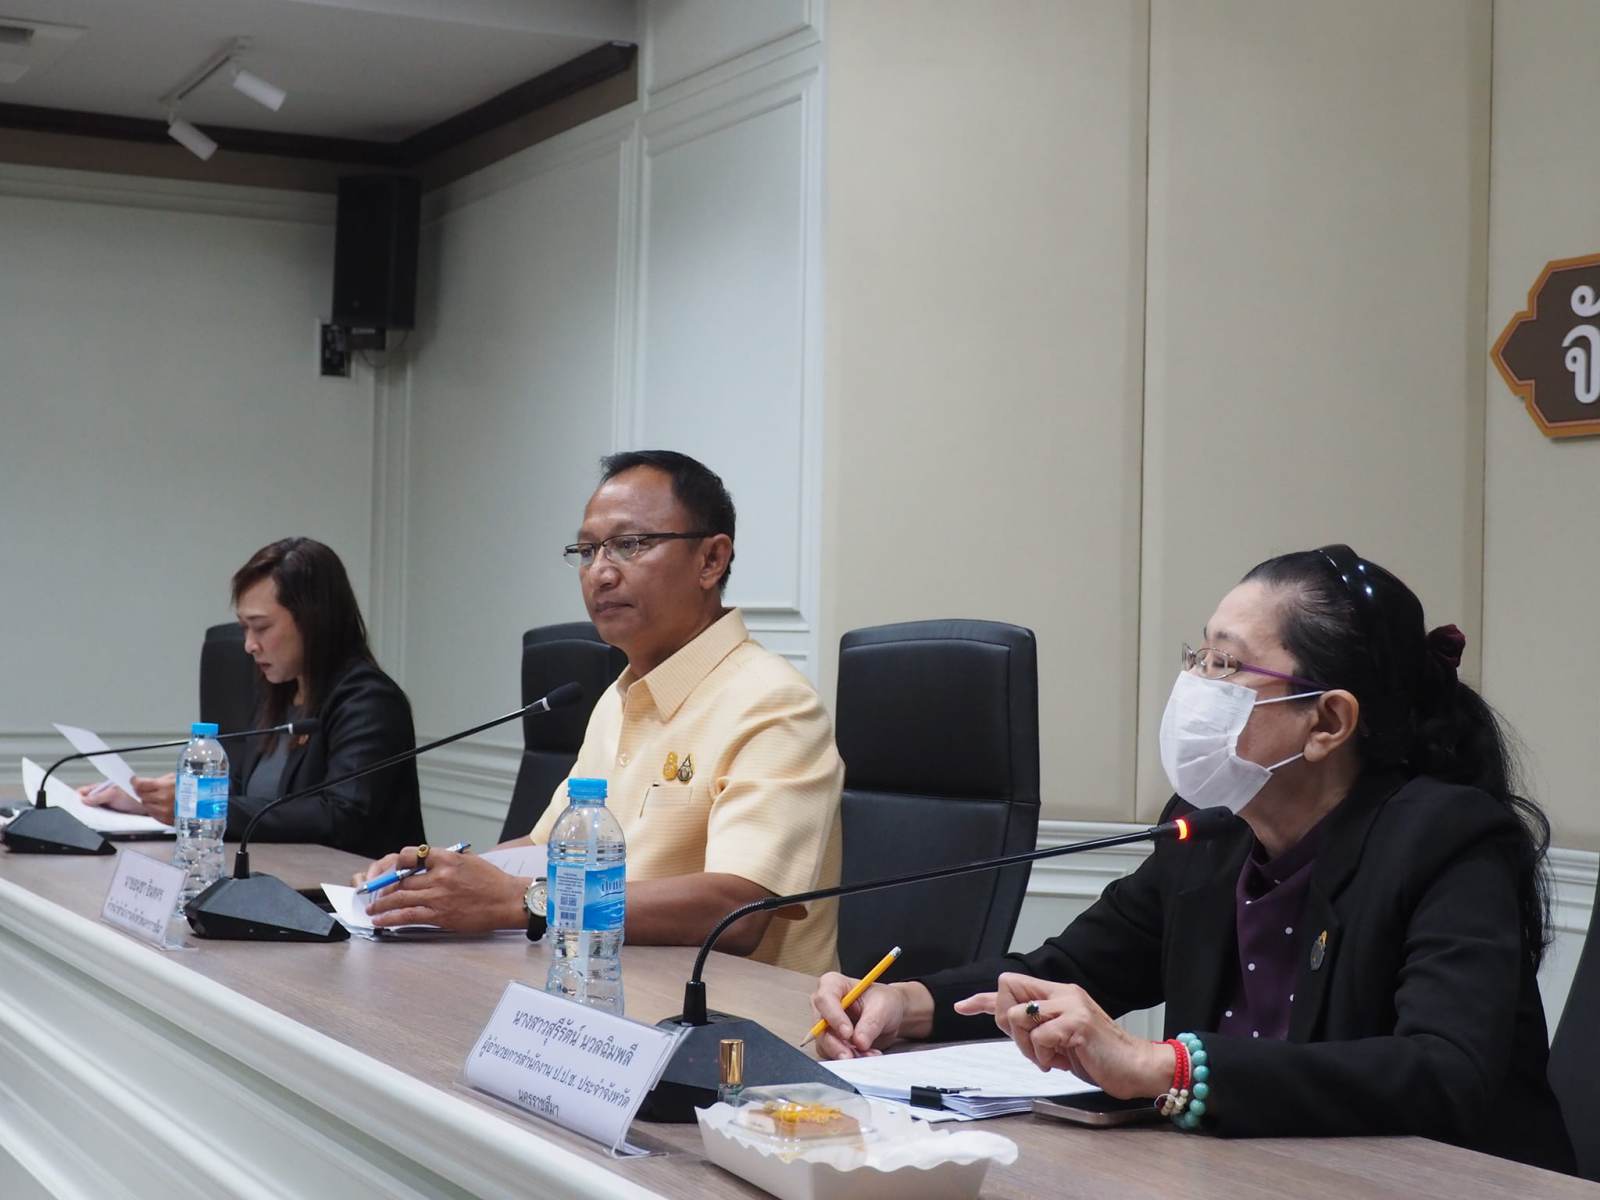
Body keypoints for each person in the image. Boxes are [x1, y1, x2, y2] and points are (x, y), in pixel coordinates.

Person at [808, 545, 1575, 1172]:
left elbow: (1443, 1072)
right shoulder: (1212, 834)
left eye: (1226, 665)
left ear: (1328, 722)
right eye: (1198, 655)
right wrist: (910, 1004)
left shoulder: (1447, 840)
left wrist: (1166, 1068)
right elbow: (1069, 969)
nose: (1195, 686)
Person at [355, 451, 845, 976]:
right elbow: (543, 846)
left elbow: (738, 909)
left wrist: (523, 900)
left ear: (711, 560)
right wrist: (439, 879)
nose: (601, 573)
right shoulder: (618, 697)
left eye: (630, 545)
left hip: (732, 1016)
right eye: (587, 551)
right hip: (607, 988)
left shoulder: (774, 703)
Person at [83, 537, 424, 860]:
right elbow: (246, 791)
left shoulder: (369, 702)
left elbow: (341, 816)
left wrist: (202, 807)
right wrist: (152, 801)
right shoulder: (278, 691)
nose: (249, 645)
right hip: (276, 875)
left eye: (260, 627)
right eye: (244, 627)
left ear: (314, 621)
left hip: (344, 891)